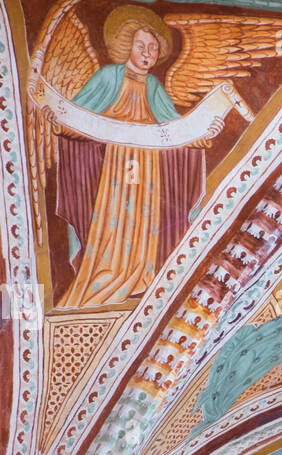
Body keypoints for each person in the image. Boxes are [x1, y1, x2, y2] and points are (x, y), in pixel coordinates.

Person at [55, 14, 206, 307]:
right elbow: (77, 113)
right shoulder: (108, 76)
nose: (148, 54)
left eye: (153, 48)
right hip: (118, 160)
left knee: (143, 215)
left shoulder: (153, 87)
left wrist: (201, 134)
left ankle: (139, 274)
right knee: (115, 211)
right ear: (128, 47)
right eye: (141, 46)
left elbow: (175, 126)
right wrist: (59, 120)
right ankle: (107, 273)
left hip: (145, 164)